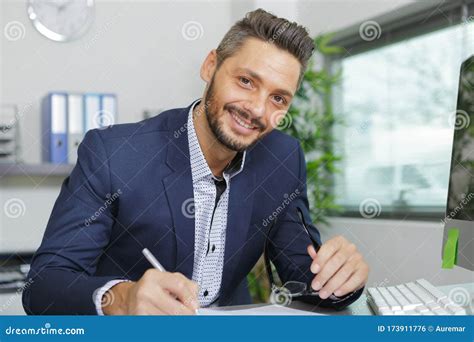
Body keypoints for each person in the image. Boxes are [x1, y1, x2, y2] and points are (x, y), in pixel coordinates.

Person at [23, 8, 369, 315]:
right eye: (246, 81)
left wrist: (341, 277)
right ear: (210, 66)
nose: (258, 110)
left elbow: (302, 278)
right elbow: (45, 285)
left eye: (278, 98)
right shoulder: (114, 153)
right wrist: (122, 298)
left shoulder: (283, 158)